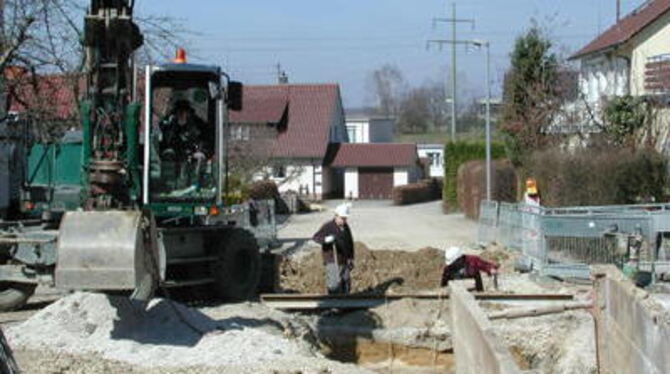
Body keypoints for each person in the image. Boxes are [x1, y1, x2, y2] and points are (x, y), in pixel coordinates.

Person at [312, 203, 354, 294]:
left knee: (345, 281)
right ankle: (333, 303)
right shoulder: (328, 226)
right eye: (342, 218)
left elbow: (350, 243)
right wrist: (325, 240)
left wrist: (351, 258)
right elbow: (316, 237)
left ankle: (345, 304)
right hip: (332, 259)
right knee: (334, 284)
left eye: (345, 218)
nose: (344, 220)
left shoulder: (346, 227)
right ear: (336, 216)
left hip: (344, 259)